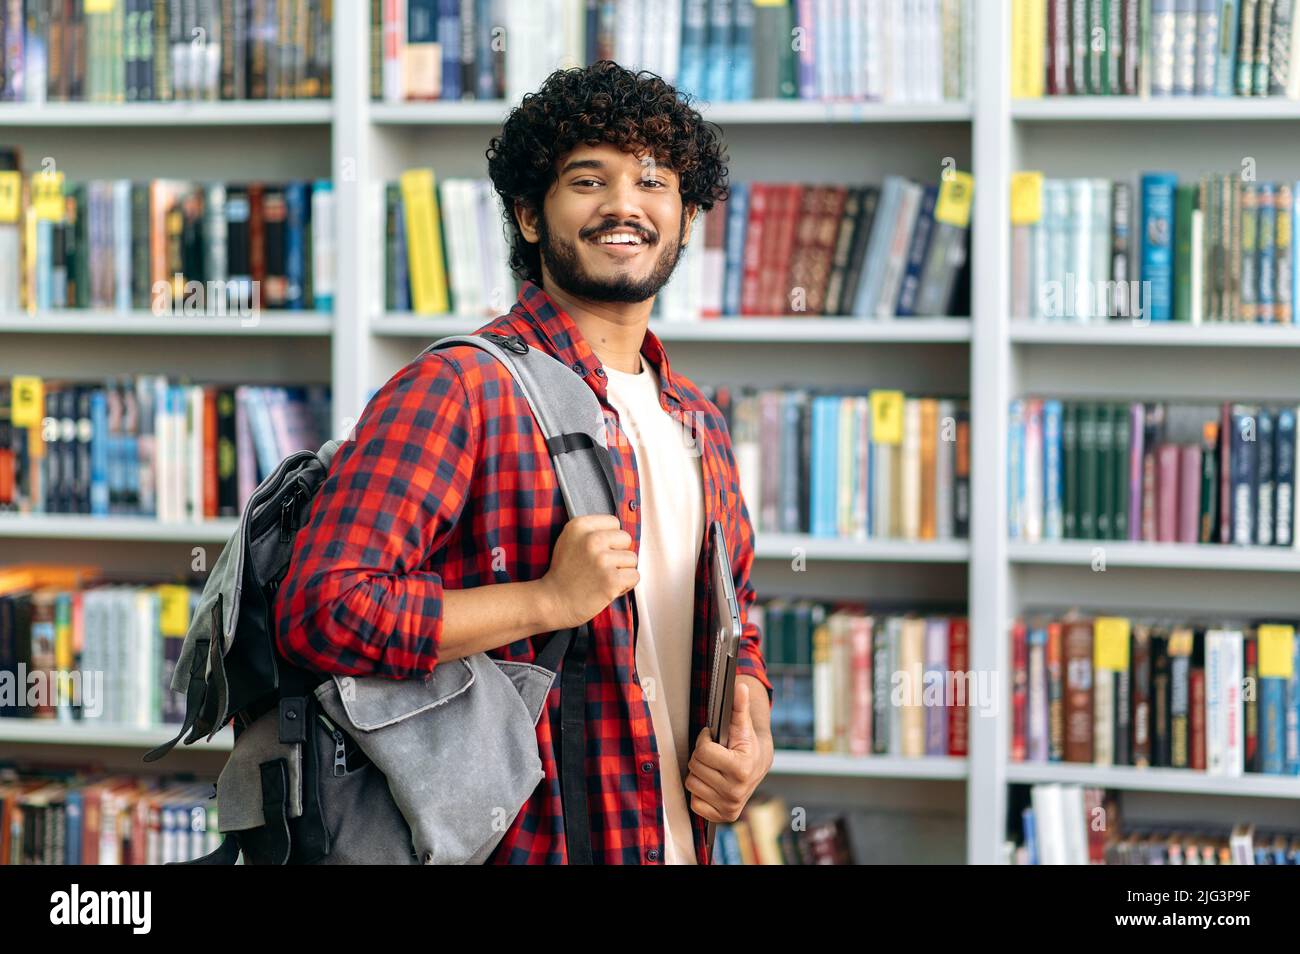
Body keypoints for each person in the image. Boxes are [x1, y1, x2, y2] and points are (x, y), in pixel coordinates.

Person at [275, 60, 773, 865]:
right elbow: (322, 611)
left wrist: (753, 734)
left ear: (684, 219)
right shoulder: (460, 388)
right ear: (530, 216)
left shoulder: (700, 425)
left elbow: (736, 621)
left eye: (652, 181)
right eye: (588, 180)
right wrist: (546, 600)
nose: (623, 204)